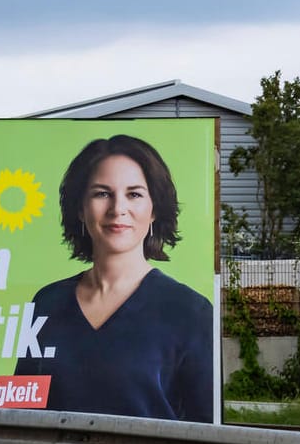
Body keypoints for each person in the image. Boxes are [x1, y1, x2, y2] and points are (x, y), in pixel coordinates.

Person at [14, 134, 212, 421]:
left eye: (134, 194)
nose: (117, 208)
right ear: (81, 209)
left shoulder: (193, 312)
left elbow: (206, 433)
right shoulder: (47, 303)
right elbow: (22, 416)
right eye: (102, 193)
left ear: (154, 209)